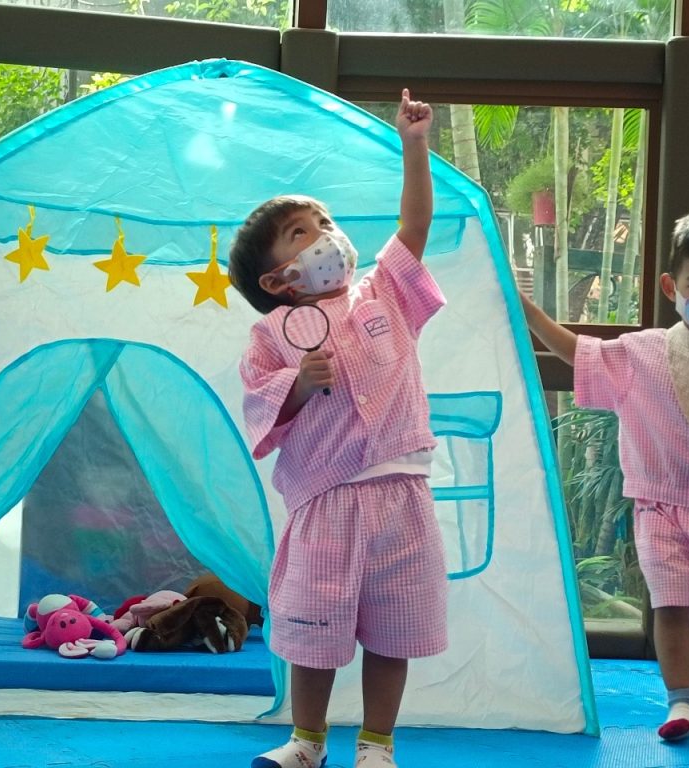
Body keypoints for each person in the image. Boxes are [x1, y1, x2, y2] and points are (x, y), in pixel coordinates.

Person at [227, 89, 448, 768]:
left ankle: (377, 743)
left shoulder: (384, 294)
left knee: (393, 628)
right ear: (279, 279)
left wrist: (414, 145)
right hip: (325, 502)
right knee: (312, 627)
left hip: (400, 492)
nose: (325, 232)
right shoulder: (271, 334)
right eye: (302, 231)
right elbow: (260, 407)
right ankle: (307, 740)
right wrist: (298, 383)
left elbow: (415, 225)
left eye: (324, 220)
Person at [520, 206, 689, 741]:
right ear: (672, 287)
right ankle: (679, 700)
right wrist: (527, 309)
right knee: (672, 601)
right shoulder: (644, 353)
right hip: (660, 506)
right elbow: (577, 352)